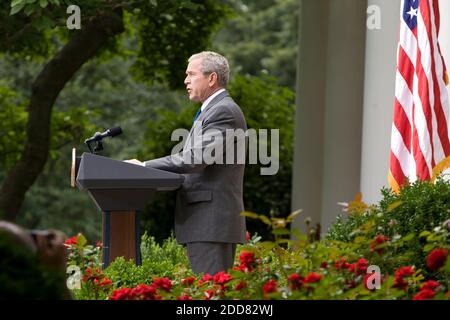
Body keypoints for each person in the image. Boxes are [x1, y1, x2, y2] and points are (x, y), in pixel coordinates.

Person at [126, 51, 247, 275]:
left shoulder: (223, 111)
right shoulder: (212, 110)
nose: (185, 80)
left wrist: (143, 167)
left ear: (212, 78)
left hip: (211, 222)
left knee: (210, 295)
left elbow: (194, 160)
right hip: (206, 223)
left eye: (191, 74)